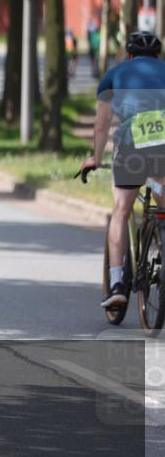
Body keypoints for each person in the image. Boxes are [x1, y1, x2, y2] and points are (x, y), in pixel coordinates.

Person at [78, 31, 165, 309]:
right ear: (158, 57)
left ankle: (116, 284)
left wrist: (96, 157)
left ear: (128, 54)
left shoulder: (114, 74)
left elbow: (101, 125)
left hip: (132, 146)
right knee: (162, 202)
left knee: (121, 211)